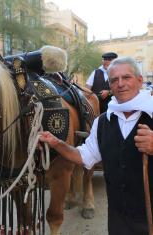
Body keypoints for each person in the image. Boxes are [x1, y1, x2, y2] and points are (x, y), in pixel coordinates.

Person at [39, 57, 153, 235]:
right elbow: (84, 156)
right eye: (114, 80)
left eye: (126, 77)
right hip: (118, 220)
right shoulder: (102, 123)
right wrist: (56, 143)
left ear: (139, 81)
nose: (120, 84)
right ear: (110, 85)